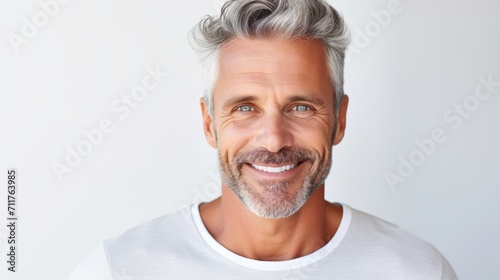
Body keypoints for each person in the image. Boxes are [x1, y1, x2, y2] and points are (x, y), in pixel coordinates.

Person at [70, 0, 458, 279]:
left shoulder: (417, 270)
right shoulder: (119, 269)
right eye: (244, 108)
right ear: (209, 124)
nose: (273, 140)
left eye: (301, 107)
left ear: (339, 119)